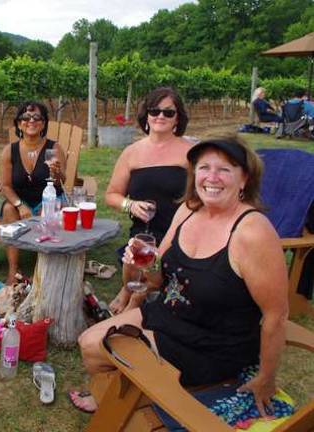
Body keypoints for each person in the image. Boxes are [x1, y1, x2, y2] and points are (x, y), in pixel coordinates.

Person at [71, 136, 289, 417]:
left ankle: (125, 398)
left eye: (224, 169)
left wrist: (267, 378)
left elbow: (276, 315)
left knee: (98, 348)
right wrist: (136, 263)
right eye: (203, 167)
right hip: (170, 315)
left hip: (211, 344)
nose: (212, 177)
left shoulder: (252, 232)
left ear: (244, 179)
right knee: (88, 343)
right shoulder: (188, 210)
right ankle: (130, 392)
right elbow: (156, 278)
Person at [105, 87, 192, 314]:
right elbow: (111, 194)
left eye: (168, 112)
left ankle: (133, 297)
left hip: (178, 232)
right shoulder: (131, 153)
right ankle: (129, 290)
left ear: (177, 118)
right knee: (139, 247)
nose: (160, 116)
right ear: (147, 116)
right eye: (154, 111)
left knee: (151, 258)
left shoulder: (190, 153)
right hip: (143, 231)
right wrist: (130, 204)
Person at [0, 101, 66, 284]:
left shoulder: (53, 148)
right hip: (20, 201)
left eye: (37, 117)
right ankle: (13, 270)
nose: (31, 121)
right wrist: (20, 205)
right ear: (19, 123)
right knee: (7, 210)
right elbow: (5, 185)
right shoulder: (9, 151)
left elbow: (61, 182)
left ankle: (43, 269)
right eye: (26, 117)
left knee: (47, 210)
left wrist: (57, 171)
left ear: (43, 123)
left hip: (50, 199)